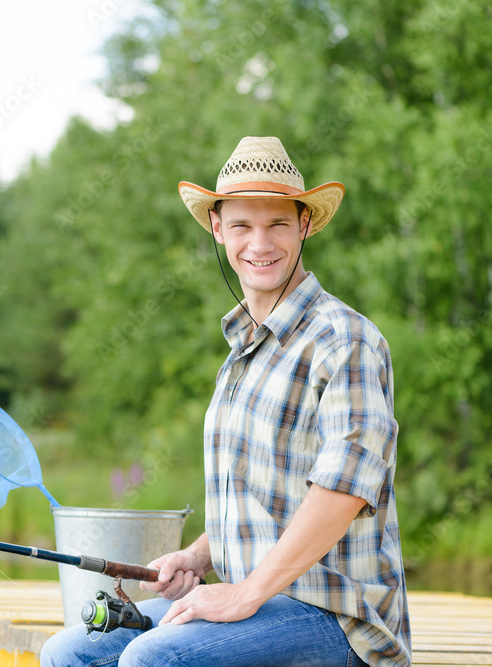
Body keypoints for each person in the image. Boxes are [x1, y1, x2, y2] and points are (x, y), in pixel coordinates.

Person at [40, 136, 411, 666]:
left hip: (338, 620)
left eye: (278, 224)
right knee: (71, 652)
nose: (260, 243)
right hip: (257, 605)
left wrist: (243, 593)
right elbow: (258, 501)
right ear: (218, 229)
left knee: (154, 659)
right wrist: (195, 557)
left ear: (305, 225)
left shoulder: (344, 340)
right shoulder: (242, 351)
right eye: (241, 225)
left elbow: (342, 493)